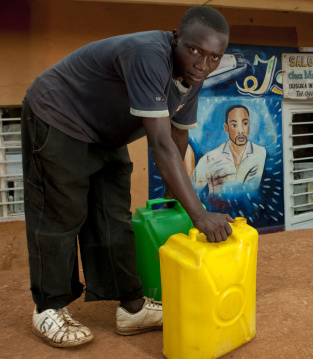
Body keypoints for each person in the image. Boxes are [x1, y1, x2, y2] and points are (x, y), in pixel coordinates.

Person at [21, 6, 233, 348]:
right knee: (61, 212)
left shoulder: (194, 76)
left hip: (105, 133)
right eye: (195, 50)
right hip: (58, 114)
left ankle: (132, 307)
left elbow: (179, 136)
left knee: (113, 215)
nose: (203, 64)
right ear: (176, 37)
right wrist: (199, 214)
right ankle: (48, 307)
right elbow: (161, 144)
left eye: (214, 57)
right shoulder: (149, 54)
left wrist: (174, 201)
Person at [192, 104, 266, 196]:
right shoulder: (208, 159)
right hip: (216, 208)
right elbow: (193, 191)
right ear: (226, 128)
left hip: (249, 207)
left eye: (245, 124)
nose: (241, 131)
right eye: (234, 125)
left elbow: (251, 188)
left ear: (249, 126)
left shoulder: (259, 152)